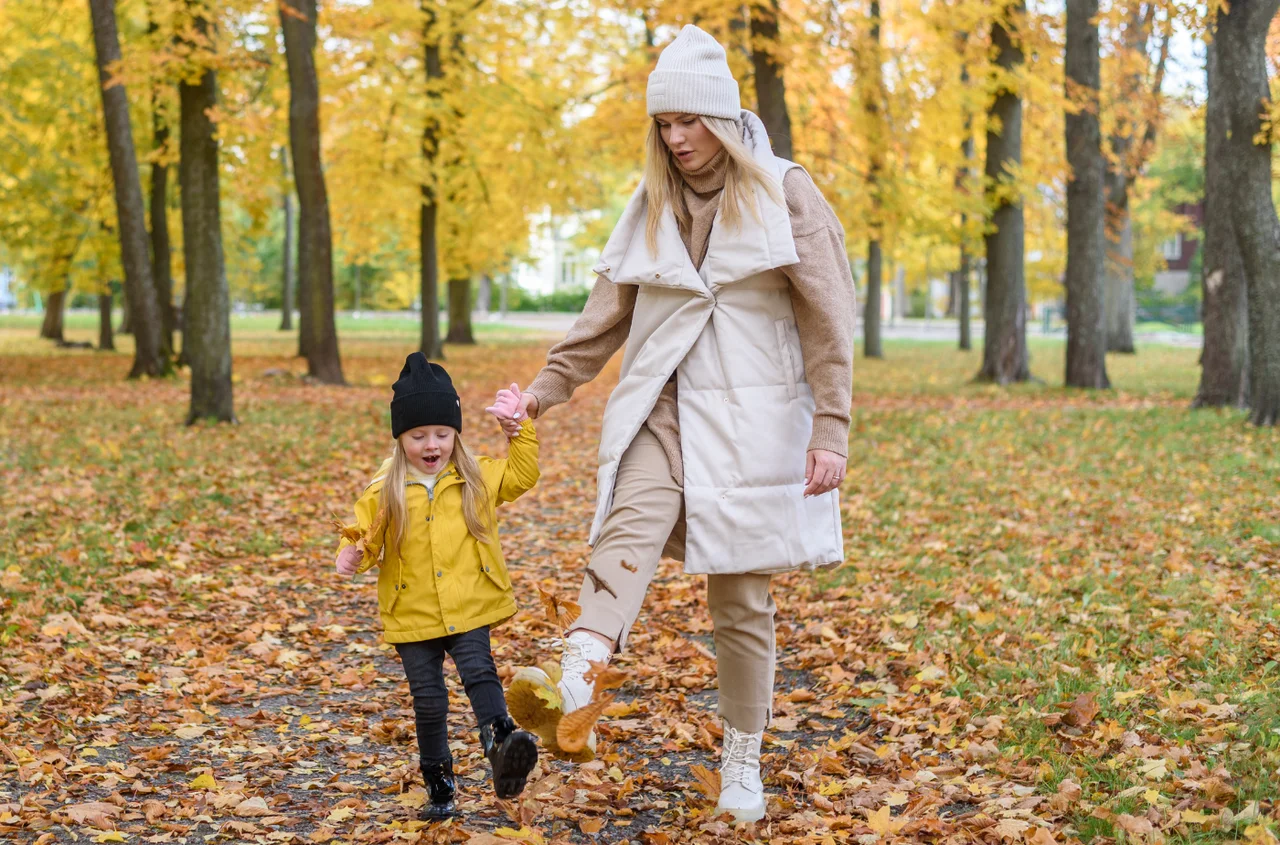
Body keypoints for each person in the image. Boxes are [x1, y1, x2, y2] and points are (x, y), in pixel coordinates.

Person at [506, 24, 855, 823]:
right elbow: (607, 312)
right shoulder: (651, 202)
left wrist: (830, 428)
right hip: (661, 404)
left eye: (689, 122)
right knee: (622, 533)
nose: (676, 138)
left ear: (723, 120)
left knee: (739, 599)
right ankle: (576, 678)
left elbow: (829, 318)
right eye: (664, 125)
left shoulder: (784, 190)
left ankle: (742, 754)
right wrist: (541, 391)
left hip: (751, 419)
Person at [335, 353, 541, 820]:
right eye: (419, 435)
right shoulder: (384, 491)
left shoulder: (476, 477)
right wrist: (353, 552)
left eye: (443, 434)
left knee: (480, 673)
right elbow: (365, 537)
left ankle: (503, 746)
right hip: (414, 612)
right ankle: (440, 787)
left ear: (456, 434)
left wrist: (519, 430)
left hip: (469, 603)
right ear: (400, 437)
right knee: (429, 702)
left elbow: (523, 476)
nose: (432, 444)